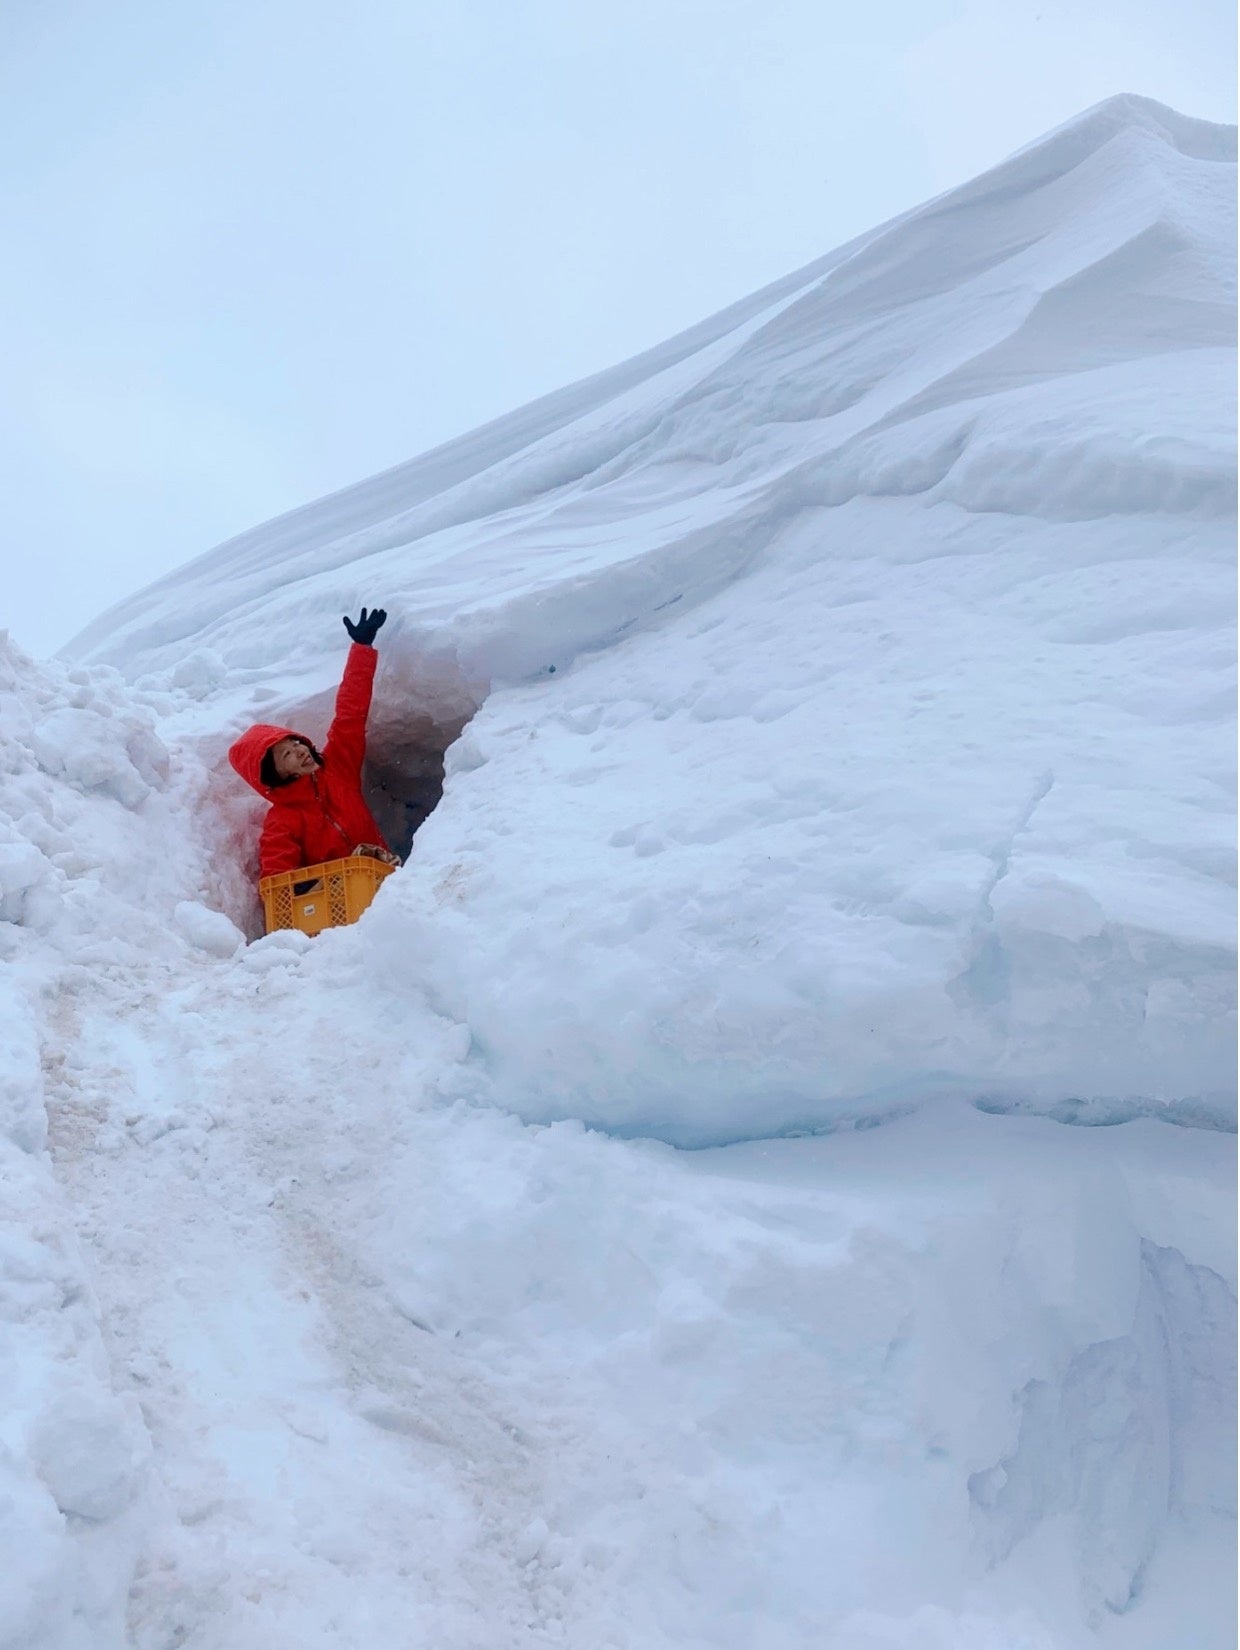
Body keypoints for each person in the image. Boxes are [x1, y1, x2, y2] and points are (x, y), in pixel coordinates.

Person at [228, 607, 400, 880]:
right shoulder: (282, 821)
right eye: (286, 754)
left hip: (390, 883)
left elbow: (350, 714)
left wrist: (362, 648)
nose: (299, 751)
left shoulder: (338, 769)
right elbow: (277, 878)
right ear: (275, 775)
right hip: (340, 902)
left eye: (295, 743)